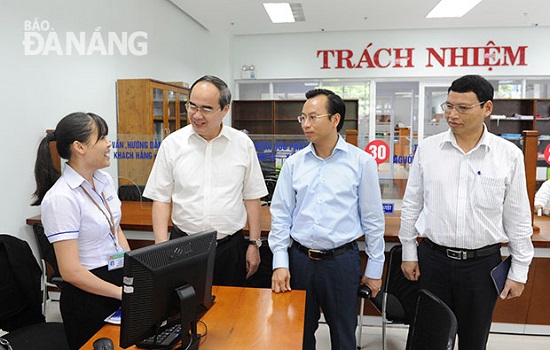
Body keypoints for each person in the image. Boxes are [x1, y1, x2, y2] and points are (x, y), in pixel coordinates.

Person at [399, 75, 534, 350]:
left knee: (474, 341)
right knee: (428, 339)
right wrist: (409, 252)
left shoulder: (508, 155)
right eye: (448, 106)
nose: (452, 114)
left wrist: (519, 271)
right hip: (432, 260)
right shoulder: (428, 149)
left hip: (481, 267)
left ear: (486, 108)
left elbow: (518, 218)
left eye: (463, 107)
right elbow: (412, 204)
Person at [269, 88, 385, 350]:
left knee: (343, 335)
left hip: (341, 262)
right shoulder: (294, 164)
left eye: (313, 117)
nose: (306, 124)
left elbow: (373, 220)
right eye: (302, 118)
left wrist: (375, 270)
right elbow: (280, 216)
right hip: (299, 261)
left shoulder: (361, 162)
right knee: (297, 333)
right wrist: (280, 262)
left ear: (335, 120)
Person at [143, 75, 268, 287]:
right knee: (183, 311)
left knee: (231, 312)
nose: (197, 115)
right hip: (183, 246)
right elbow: (161, 199)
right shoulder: (172, 144)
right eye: (192, 106)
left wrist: (254, 244)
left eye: (206, 109)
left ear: (225, 110)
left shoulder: (242, 144)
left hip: (230, 248)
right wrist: (161, 248)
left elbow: (252, 197)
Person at [32, 112, 131, 350]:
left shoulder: (105, 179)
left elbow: (114, 227)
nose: (109, 144)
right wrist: (119, 293)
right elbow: (70, 271)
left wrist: (132, 267)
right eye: (102, 138)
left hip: (117, 278)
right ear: (79, 147)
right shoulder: (61, 197)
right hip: (89, 294)